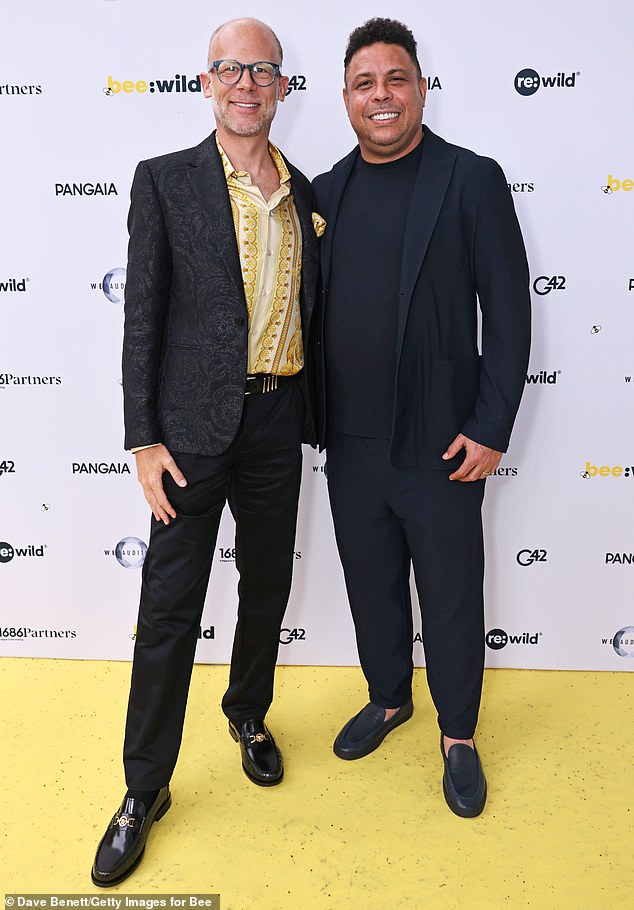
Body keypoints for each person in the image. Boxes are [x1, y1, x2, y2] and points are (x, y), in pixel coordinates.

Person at [92, 18, 319, 886]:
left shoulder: (307, 191)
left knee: (266, 586)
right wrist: (144, 438)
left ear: (282, 87)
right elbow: (141, 318)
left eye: (263, 70)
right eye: (231, 68)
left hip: (278, 419)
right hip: (187, 434)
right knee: (169, 608)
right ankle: (143, 789)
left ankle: (249, 715)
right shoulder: (165, 181)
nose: (247, 83)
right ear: (207, 81)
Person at [312, 17, 530, 818]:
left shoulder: (470, 180)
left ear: (420, 87)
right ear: (344, 98)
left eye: (395, 79)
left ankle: (459, 734)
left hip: (442, 442)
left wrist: (492, 424)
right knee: (371, 585)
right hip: (350, 441)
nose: (381, 96)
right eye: (365, 83)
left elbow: (508, 313)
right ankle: (388, 697)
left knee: (448, 594)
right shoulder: (326, 192)